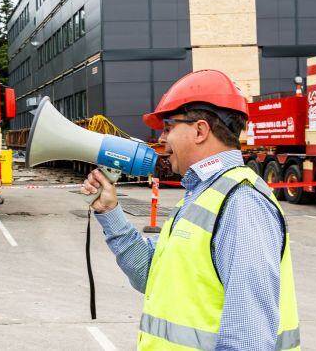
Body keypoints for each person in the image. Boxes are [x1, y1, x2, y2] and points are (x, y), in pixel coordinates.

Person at [81, 70, 300, 350]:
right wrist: (110, 212)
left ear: (199, 131)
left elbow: (249, 338)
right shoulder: (205, 195)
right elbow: (152, 275)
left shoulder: (241, 203)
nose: (161, 139)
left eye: (168, 126)